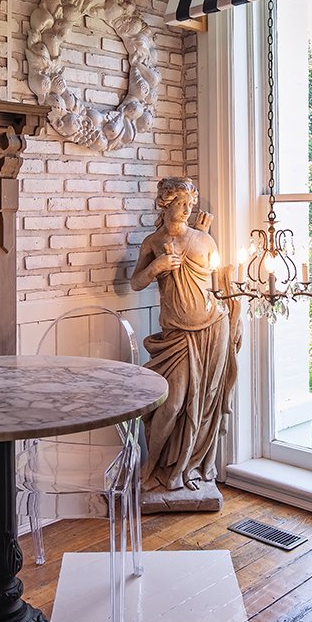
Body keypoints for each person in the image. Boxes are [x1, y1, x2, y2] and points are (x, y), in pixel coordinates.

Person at [132, 177, 242, 493]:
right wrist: (157, 267)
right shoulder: (153, 243)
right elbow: (136, 282)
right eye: (181, 202)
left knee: (205, 400)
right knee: (172, 403)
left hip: (213, 328)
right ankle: (151, 463)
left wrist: (235, 318)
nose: (187, 208)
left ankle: (186, 466)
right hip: (177, 335)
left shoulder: (205, 240)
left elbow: (219, 284)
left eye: (191, 204)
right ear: (166, 202)